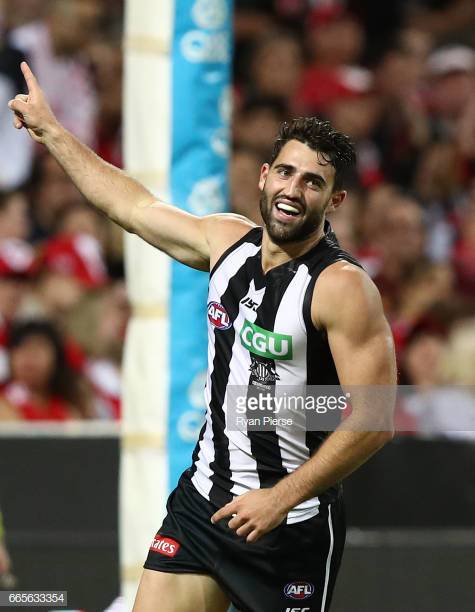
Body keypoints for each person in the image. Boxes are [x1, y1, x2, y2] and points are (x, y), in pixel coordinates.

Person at [8, 62, 396, 612]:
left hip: (290, 530)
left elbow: (374, 418)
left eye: (313, 182)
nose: (293, 190)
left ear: (334, 201)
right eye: (286, 173)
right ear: (264, 176)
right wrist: (52, 131)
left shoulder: (342, 288)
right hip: (203, 507)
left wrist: (280, 497)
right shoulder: (225, 242)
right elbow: (131, 205)